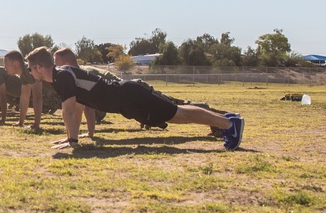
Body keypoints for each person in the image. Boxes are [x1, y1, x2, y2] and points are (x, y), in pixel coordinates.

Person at [26, 46, 244, 150]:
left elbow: (70, 110)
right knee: (177, 116)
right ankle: (227, 120)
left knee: (179, 114)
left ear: (38, 67)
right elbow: (79, 107)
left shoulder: (62, 76)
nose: (30, 73)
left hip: (130, 96)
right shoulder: (58, 77)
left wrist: (72, 140)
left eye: (30, 69)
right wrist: (70, 137)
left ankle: (228, 123)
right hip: (127, 103)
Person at [2, 50, 43, 132]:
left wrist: (36, 124)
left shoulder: (30, 71)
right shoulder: (23, 74)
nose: (5, 68)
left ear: (16, 63)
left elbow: (37, 98)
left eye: (6, 65)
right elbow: (24, 98)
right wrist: (20, 122)